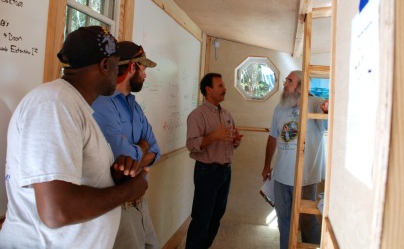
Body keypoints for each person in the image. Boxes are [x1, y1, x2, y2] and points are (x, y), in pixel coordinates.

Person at [0, 26, 149, 248]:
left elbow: (76, 178)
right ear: (106, 65)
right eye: (117, 65)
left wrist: (114, 175)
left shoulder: (71, 105)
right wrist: (128, 191)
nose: (118, 73)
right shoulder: (54, 105)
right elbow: (56, 211)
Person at [92, 41, 161, 249]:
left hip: (140, 203)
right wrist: (142, 147)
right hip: (117, 209)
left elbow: (156, 149)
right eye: (143, 69)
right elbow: (121, 155)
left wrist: (136, 156)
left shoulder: (134, 106)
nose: (145, 75)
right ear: (132, 67)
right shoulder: (101, 103)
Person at [261, 70, 328, 248]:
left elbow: (328, 117)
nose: (284, 84)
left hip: (304, 179)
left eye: (289, 81)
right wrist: (267, 165)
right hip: (280, 178)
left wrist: (328, 108)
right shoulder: (280, 107)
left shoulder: (315, 103)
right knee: (283, 221)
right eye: (286, 80)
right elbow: (273, 137)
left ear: (300, 88)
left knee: (307, 222)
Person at [185, 72, 243, 249]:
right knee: (201, 220)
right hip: (206, 172)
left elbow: (231, 142)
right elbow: (191, 144)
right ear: (208, 90)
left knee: (216, 217)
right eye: (220, 86)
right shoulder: (197, 115)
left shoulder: (226, 114)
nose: (225, 89)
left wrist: (236, 141)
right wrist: (213, 136)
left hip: (225, 172)